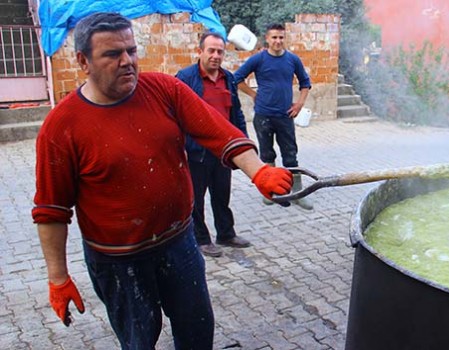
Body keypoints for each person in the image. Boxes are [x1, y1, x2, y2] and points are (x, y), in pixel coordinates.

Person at [32, 12, 292, 349]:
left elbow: (216, 130)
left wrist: (259, 170)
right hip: (118, 262)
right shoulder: (61, 127)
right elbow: (51, 211)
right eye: (112, 54)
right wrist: (58, 277)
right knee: (139, 340)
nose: (127, 62)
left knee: (198, 333)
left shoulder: (164, 89)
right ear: (83, 61)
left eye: (131, 50)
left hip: (179, 244)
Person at [175, 32, 251, 257]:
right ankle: (201, 239)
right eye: (211, 50)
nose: (216, 55)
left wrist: (243, 142)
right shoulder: (186, 77)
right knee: (196, 199)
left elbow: (235, 112)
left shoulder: (228, 78)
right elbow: (175, 116)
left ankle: (226, 234)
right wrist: (180, 149)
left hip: (223, 151)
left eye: (220, 51)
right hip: (196, 152)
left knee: (222, 194)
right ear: (200, 51)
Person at [233, 23, 314, 210]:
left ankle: (297, 192)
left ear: (285, 39)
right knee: (267, 154)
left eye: (281, 37)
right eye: (274, 37)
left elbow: (305, 83)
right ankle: (269, 191)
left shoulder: (292, 60)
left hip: (285, 115)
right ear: (267, 39)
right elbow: (236, 78)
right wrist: (253, 94)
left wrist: (299, 104)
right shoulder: (258, 59)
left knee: (290, 155)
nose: (278, 41)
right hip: (263, 116)